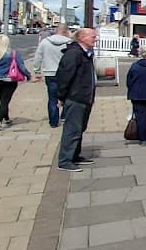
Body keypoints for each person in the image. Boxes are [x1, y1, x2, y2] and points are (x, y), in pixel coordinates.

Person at [55, 27, 98, 172]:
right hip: (76, 97)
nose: (95, 38)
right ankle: (65, 160)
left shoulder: (85, 53)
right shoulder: (73, 54)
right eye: (92, 36)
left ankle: (74, 155)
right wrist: (61, 96)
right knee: (72, 129)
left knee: (79, 128)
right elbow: (64, 76)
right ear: (81, 38)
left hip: (85, 97)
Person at [32, 24, 74, 127]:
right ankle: (64, 116)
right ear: (65, 31)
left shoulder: (45, 42)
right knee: (67, 95)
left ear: (56, 31)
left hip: (50, 73)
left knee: (52, 98)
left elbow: (38, 57)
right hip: (65, 73)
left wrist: (37, 71)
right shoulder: (70, 43)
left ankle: (53, 121)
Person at [0, 34, 31, 130]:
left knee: (3, 100)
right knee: (5, 101)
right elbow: (21, 67)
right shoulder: (13, 53)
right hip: (9, 80)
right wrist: (28, 76)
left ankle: (7, 118)